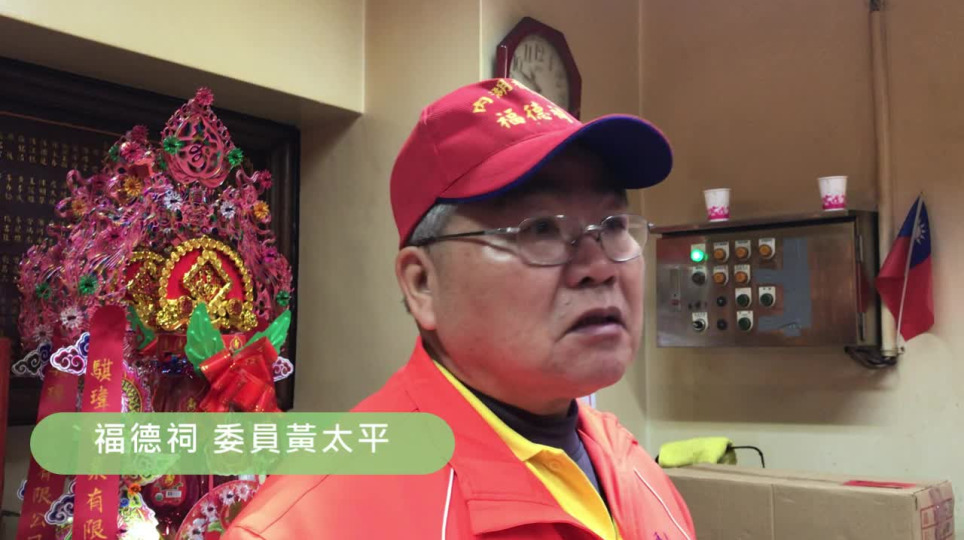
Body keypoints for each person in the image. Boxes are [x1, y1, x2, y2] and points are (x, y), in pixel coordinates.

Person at [224, 78, 696, 539]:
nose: (600, 266)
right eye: (540, 229)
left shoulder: (634, 469)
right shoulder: (308, 524)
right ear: (423, 284)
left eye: (614, 225)